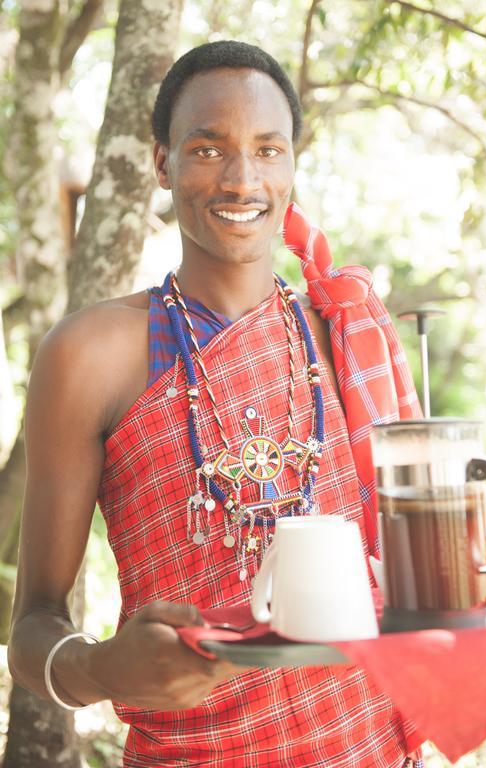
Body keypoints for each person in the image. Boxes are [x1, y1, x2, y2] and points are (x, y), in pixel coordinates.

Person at [8, 41, 424, 767]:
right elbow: (34, 626)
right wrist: (103, 668)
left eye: (267, 150)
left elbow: (419, 574)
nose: (241, 180)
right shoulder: (91, 356)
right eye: (207, 149)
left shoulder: (344, 328)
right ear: (162, 163)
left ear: (291, 164)